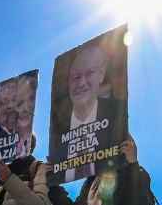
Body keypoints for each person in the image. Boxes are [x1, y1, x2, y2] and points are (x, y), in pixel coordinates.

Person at [50, 44, 127, 183]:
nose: (82, 83)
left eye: (90, 73)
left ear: (101, 75)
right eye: (76, 76)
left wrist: (132, 162)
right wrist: (49, 179)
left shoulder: (116, 116)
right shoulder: (57, 126)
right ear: (68, 81)